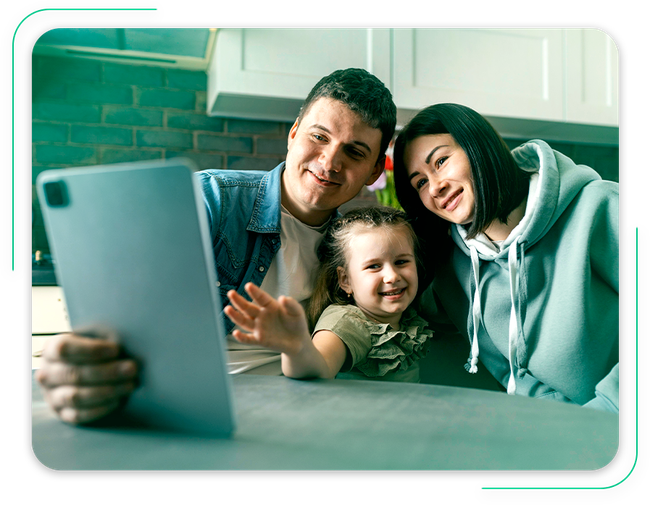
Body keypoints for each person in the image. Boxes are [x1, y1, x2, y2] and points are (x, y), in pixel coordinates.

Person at [35, 68, 397, 424]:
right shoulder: (210, 198)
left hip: (296, 411)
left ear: (373, 172)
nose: (330, 161)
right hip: (192, 402)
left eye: (354, 152)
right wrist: (88, 361)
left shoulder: (352, 248)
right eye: (319, 137)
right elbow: (118, 304)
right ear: (293, 133)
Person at [392, 103, 619, 412]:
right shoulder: (452, 271)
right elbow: (509, 371)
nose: (435, 187)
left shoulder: (599, 206)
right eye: (420, 182)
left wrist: (608, 409)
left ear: (477, 145)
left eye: (441, 161)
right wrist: (566, 422)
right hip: (564, 431)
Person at [224, 207, 434, 382]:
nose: (391, 276)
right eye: (374, 266)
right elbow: (319, 367)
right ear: (346, 281)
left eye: (401, 262)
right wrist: (295, 347)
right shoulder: (348, 322)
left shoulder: (409, 317)